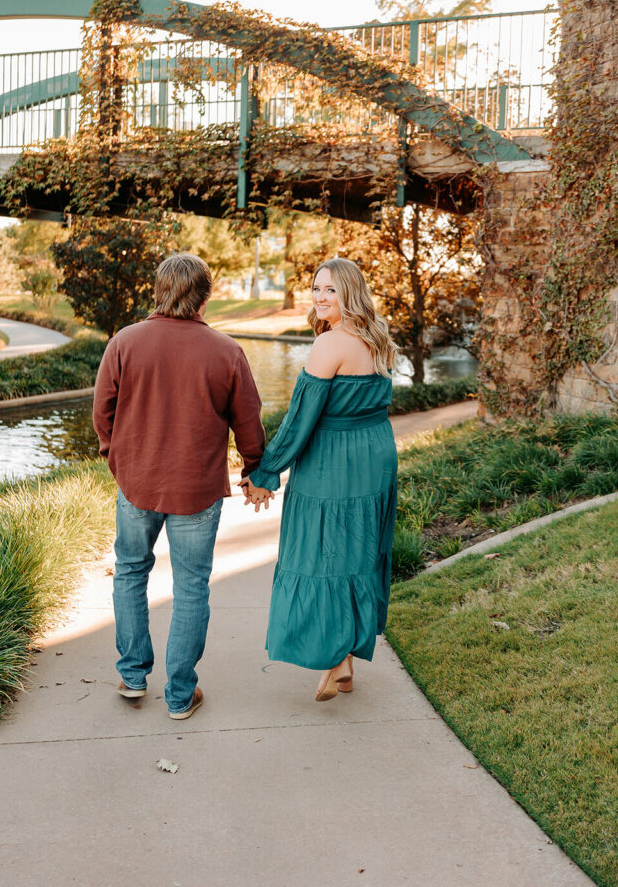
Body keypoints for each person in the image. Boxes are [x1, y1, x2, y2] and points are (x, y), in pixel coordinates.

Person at [93, 253, 270, 719]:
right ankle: (178, 695)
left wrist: (118, 461)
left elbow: (102, 414)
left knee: (131, 572)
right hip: (197, 489)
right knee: (191, 587)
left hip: (137, 485)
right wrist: (255, 469)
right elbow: (248, 423)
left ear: (158, 290)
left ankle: (133, 676)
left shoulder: (124, 343)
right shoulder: (226, 351)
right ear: (205, 297)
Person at [240, 258, 398, 701]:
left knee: (323, 552)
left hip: (335, 460)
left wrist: (265, 472)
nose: (320, 297)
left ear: (350, 293)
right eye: (315, 289)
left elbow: (298, 421)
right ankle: (344, 659)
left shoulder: (330, 344)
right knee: (357, 552)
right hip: (375, 455)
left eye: (330, 290)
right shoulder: (377, 337)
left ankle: (333, 660)